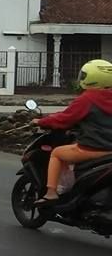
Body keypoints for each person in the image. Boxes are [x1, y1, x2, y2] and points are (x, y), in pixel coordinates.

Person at [34, 59, 112, 206]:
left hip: (92, 149)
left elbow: (65, 118)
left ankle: (51, 193)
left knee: (57, 153)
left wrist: (41, 121)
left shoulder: (88, 98)